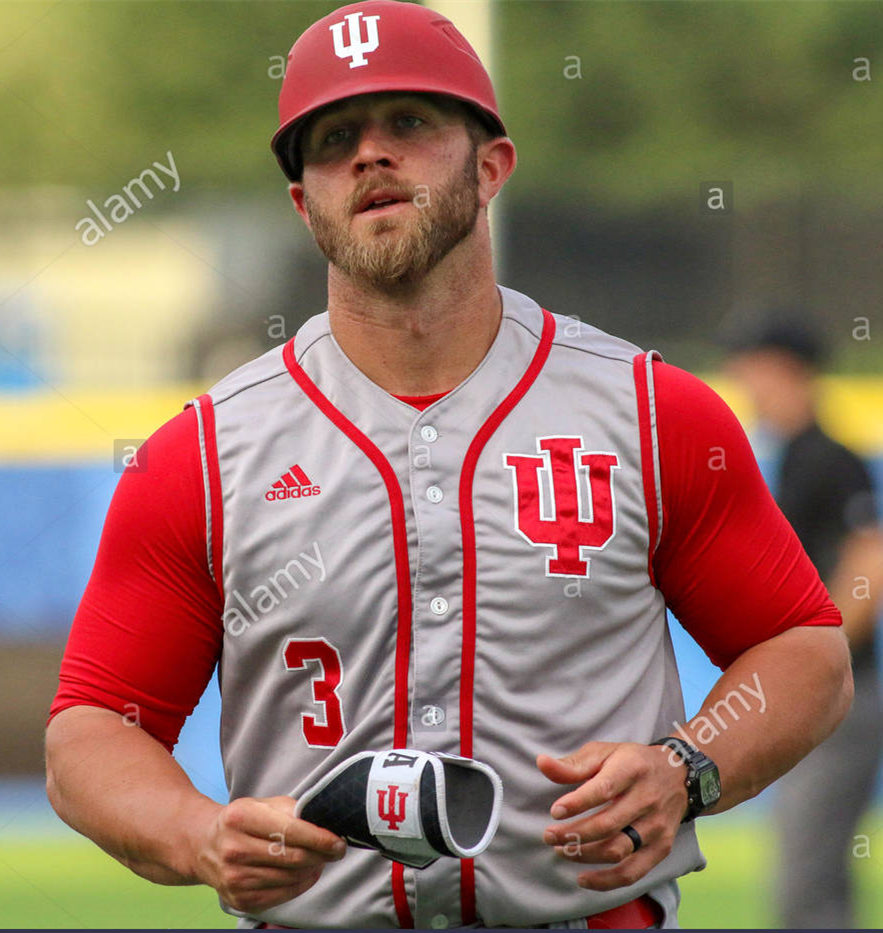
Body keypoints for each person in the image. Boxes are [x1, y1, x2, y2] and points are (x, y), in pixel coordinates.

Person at [45, 2, 853, 928]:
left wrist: (687, 765)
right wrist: (198, 833)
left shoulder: (648, 413)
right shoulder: (202, 452)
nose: (369, 155)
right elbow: (91, 729)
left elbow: (804, 650)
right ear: (303, 201)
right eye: (334, 137)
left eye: (411, 123)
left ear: (492, 164)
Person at [725, 313, 883, 929]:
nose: (746, 383)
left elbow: (871, 557)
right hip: (828, 688)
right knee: (813, 874)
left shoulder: (826, 455)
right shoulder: (791, 455)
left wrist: (814, 661)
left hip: (840, 692)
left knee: (805, 881)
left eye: (753, 368)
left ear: (784, 370)